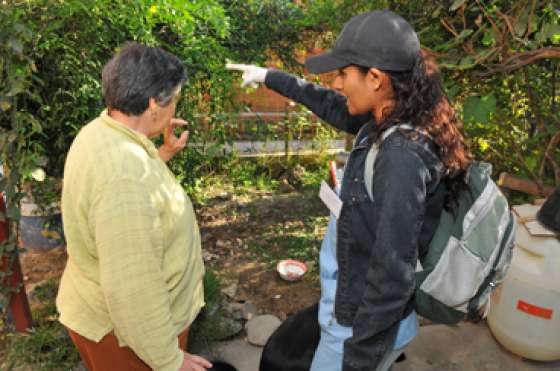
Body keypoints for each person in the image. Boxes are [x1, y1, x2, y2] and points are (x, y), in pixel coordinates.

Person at [228, 9, 472, 371]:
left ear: (375, 78)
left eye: (343, 73)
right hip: (357, 312)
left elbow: (391, 274)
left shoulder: (401, 156)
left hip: (355, 330)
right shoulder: (388, 114)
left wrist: (357, 358)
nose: (336, 83)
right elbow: (327, 103)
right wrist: (269, 76)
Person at [56, 43, 213, 371]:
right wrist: (170, 361)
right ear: (155, 104)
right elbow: (133, 290)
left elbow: (128, 198)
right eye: (175, 100)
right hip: (128, 341)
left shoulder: (101, 133)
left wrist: (164, 153)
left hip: (112, 322)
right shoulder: (124, 176)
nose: (174, 110)